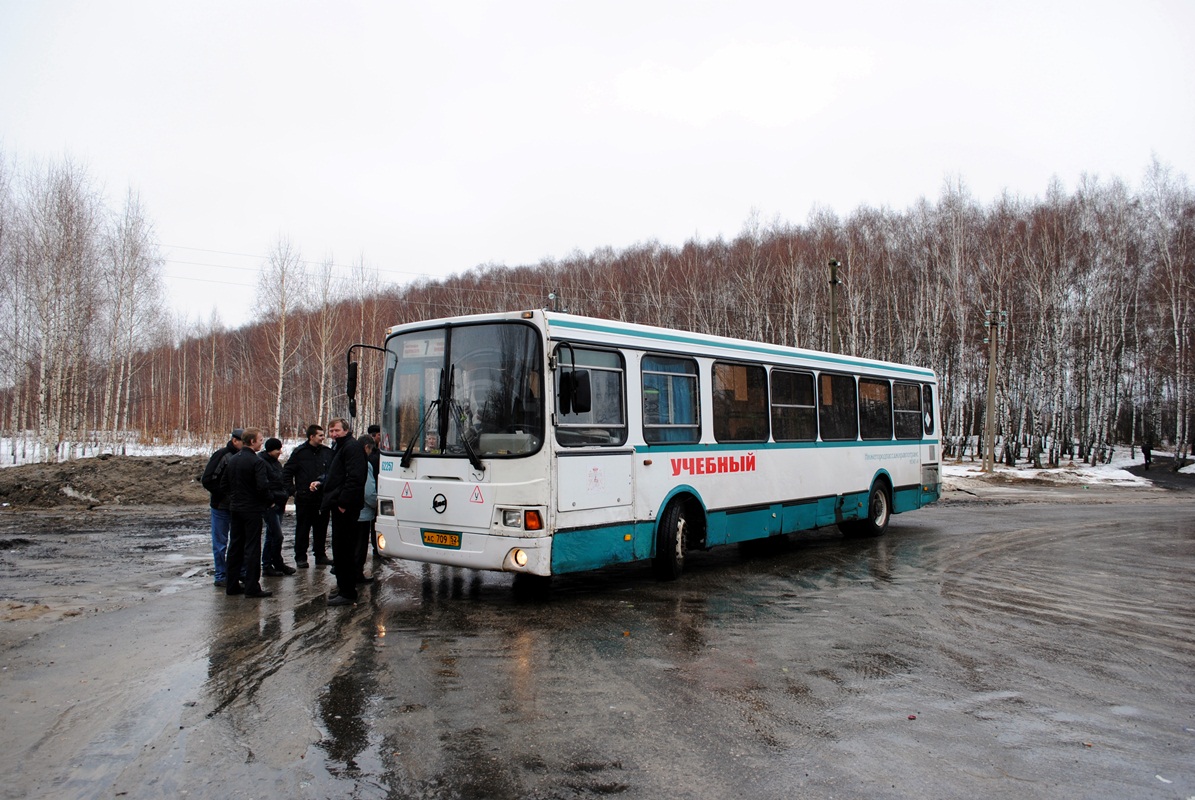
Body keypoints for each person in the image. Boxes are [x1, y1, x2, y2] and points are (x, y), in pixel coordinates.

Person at [317, 418, 367, 607]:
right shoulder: (340, 447)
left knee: (345, 549)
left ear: (346, 430)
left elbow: (355, 477)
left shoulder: (351, 447)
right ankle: (343, 587)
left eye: (337, 430)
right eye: (331, 431)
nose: (333, 434)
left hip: (345, 506)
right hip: (339, 503)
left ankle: (347, 592)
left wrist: (344, 502)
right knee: (340, 549)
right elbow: (336, 475)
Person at [221, 427, 272, 598]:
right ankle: (252, 587)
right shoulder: (256, 462)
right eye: (260, 440)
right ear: (252, 442)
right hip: (252, 509)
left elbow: (223, 485)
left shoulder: (233, 460)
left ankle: (232, 584)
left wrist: (235, 498)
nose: (261, 443)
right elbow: (262, 486)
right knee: (252, 547)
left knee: (235, 546)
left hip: (236, 508)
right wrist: (268, 501)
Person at [283, 424, 332, 567]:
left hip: (322, 498)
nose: (323, 438)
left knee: (321, 528)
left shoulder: (327, 452)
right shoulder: (300, 453)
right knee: (303, 529)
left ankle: (320, 555)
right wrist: (293, 491)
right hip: (304, 499)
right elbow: (287, 472)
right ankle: (300, 557)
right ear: (312, 436)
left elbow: (332, 472)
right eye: (320, 435)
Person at [200, 428, 243, 587]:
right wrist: (225, 495)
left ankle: (237, 573)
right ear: (235, 441)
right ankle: (220, 575)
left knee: (238, 542)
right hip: (221, 506)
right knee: (220, 543)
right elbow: (208, 480)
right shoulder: (223, 455)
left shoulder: (242, 456)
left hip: (237, 506)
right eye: (243, 442)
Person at [260, 437, 296, 576]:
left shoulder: (275, 463)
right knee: (276, 535)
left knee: (272, 535)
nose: (280, 452)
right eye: (277, 449)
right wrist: (271, 500)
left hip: (279, 502)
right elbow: (263, 484)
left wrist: (286, 493)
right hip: (271, 504)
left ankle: (271, 563)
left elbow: (281, 480)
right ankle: (272, 563)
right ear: (270, 450)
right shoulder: (262, 463)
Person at [355, 434, 379, 582]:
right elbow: (369, 492)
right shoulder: (364, 463)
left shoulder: (347, 459)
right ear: (366, 448)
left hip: (350, 511)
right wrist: (378, 505)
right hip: (362, 513)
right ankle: (357, 575)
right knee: (360, 547)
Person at [366, 424, 382, 556]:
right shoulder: (370, 455)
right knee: (372, 523)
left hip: (377, 490)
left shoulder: (379, 452)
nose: (380, 438)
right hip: (372, 492)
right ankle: (376, 548)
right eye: (378, 435)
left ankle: (378, 548)